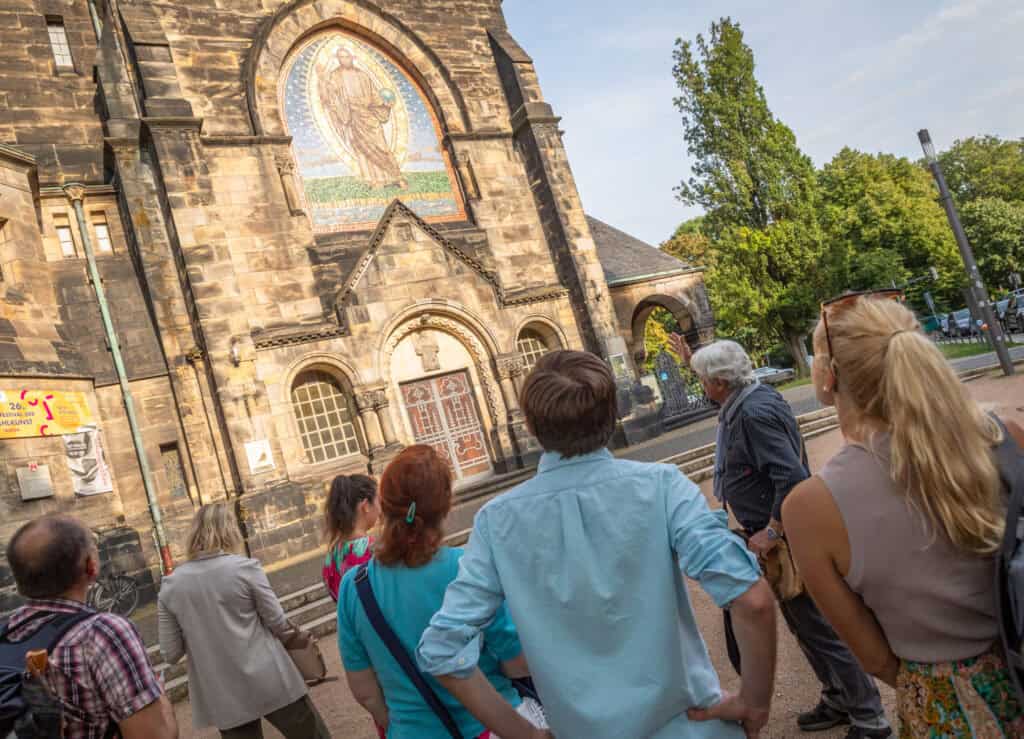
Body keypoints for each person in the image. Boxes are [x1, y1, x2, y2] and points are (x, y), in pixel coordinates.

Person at [418, 350, 778, 739]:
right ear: (613, 414)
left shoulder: (496, 520)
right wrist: (753, 701)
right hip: (688, 726)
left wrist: (526, 734)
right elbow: (752, 600)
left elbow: (442, 648)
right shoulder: (661, 486)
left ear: (530, 425)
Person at [783, 291, 1024, 737]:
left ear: (829, 376)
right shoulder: (1005, 436)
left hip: (946, 702)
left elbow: (875, 658)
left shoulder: (811, 508)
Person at [670, 334, 891, 738]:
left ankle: (869, 716)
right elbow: (716, 402)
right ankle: (841, 698)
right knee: (806, 625)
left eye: (703, 379)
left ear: (719, 382)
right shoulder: (745, 398)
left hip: (782, 535)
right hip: (775, 533)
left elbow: (790, 475)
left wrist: (772, 530)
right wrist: (692, 363)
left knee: (820, 626)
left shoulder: (753, 413)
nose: (703, 386)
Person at [336, 445, 542, 739]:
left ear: (385, 504)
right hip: (490, 729)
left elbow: (365, 691)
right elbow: (516, 662)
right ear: (446, 506)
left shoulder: (354, 586)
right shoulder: (466, 568)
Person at [158, 502, 329, 739]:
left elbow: (170, 653)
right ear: (230, 531)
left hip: (222, 691)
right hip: (270, 675)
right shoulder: (244, 569)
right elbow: (277, 622)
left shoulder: (171, 586)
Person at [3, 514, 177, 739]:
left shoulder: (6, 634)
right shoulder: (102, 634)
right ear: (91, 566)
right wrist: (160, 697)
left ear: (19, 581)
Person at [319, 46, 406, 190]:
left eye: (346, 57)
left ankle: (394, 176)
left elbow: (374, 95)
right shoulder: (334, 76)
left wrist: (385, 104)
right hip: (351, 116)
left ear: (353, 58)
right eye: (340, 57)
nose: (343, 60)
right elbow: (330, 97)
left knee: (381, 146)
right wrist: (323, 82)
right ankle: (374, 180)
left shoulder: (363, 75)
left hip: (368, 116)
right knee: (361, 149)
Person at [323, 473, 380, 601]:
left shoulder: (331, 556)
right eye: (378, 501)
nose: (380, 509)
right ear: (365, 506)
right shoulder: (374, 549)